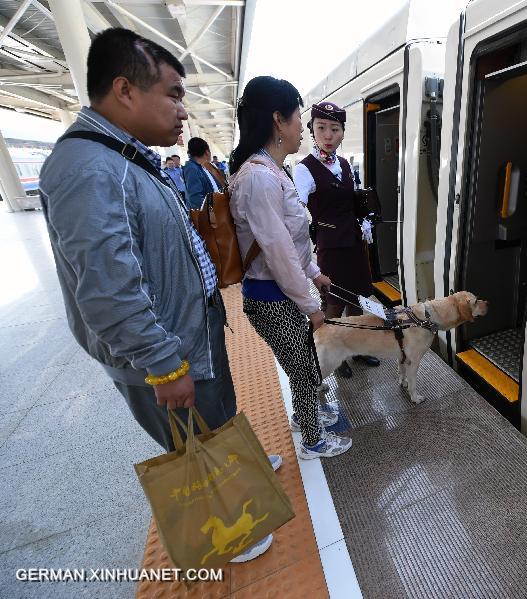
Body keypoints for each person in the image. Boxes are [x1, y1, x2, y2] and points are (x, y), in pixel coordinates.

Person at [39, 28, 275, 562]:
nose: (184, 111)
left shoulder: (122, 157)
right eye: (173, 94)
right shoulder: (89, 169)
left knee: (217, 412)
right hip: (165, 351)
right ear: (125, 90)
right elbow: (107, 289)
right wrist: (164, 365)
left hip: (189, 330)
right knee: (192, 437)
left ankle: (240, 467)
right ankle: (230, 528)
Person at [229, 76, 352, 459]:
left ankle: (307, 417)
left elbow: (293, 242)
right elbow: (279, 253)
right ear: (278, 120)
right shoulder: (260, 178)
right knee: (304, 369)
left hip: (280, 294)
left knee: (303, 365)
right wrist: (311, 305)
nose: (304, 127)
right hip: (271, 298)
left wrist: (314, 273)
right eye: (300, 118)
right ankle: (313, 442)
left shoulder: (272, 170)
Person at [294, 101, 379, 379]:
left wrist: (365, 217)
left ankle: (356, 347)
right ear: (312, 130)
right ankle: (334, 352)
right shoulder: (304, 169)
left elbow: (352, 199)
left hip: (354, 243)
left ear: (342, 133)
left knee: (358, 300)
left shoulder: (343, 164)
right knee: (333, 303)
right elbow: (296, 206)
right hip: (331, 246)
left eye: (335, 129)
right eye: (321, 128)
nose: (328, 135)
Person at [183, 137, 224, 209]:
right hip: (207, 214)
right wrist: (213, 209)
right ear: (207, 152)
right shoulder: (192, 168)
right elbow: (195, 197)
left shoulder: (202, 166)